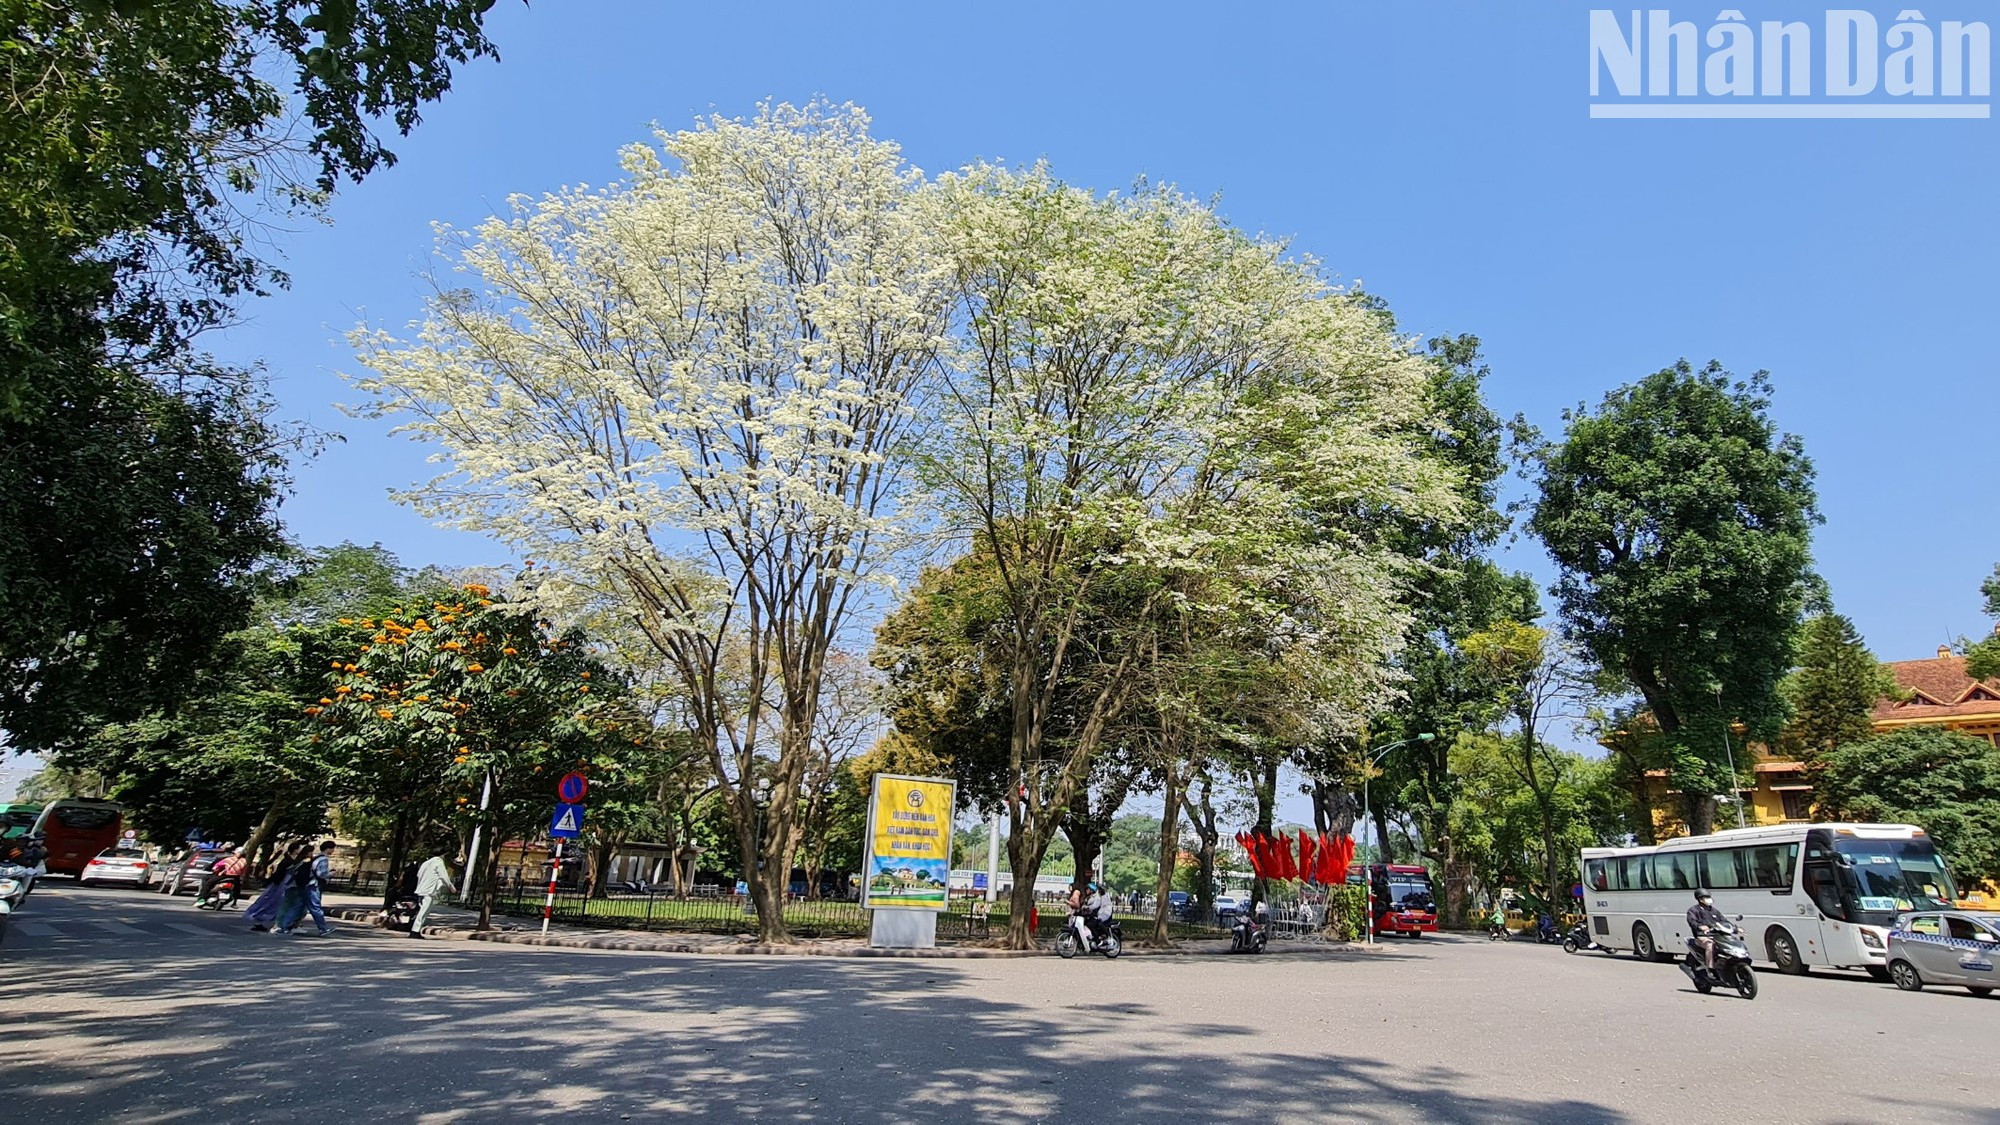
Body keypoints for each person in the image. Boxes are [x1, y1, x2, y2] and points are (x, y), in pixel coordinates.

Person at [278, 840, 336, 937]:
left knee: (298, 906)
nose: (333, 851)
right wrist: (331, 874)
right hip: (313, 886)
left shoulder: (315, 857)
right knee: (315, 907)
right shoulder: (323, 859)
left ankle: (283, 927)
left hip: (304, 885)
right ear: (328, 848)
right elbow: (321, 874)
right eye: (333, 848)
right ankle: (323, 928)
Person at [244, 842, 307, 931]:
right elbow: (280, 872)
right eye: (299, 848)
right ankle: (265, 920)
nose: (300, 850)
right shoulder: (287, 860)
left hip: (285, 883)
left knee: (278, 903)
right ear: (295, 849)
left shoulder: (294, 860)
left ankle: (275, 922)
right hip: (281, 883)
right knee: (273, 902)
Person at [410, 851, 460, 938]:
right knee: (424, 912)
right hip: (429, 891)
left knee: (422, 911)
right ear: (443, 855)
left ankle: (416, 930)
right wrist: (451, 887)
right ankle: (415, 931)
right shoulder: (438, 863)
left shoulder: (426, 863)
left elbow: (419, 875)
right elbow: (444, 876)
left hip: (422, 890)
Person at [1687, 888, 1729, 974]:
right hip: (1702, 937)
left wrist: (1735, 928)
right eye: (1706, 897)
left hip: (1716, 936)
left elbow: (1723, 921)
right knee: (1710, 945)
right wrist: (1700, 927)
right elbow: (1692, 921)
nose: (1709, 899)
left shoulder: (1713, 910)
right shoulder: (1693, 910)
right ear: (1700, 899)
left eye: (1709, 897)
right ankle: (1711, 969)